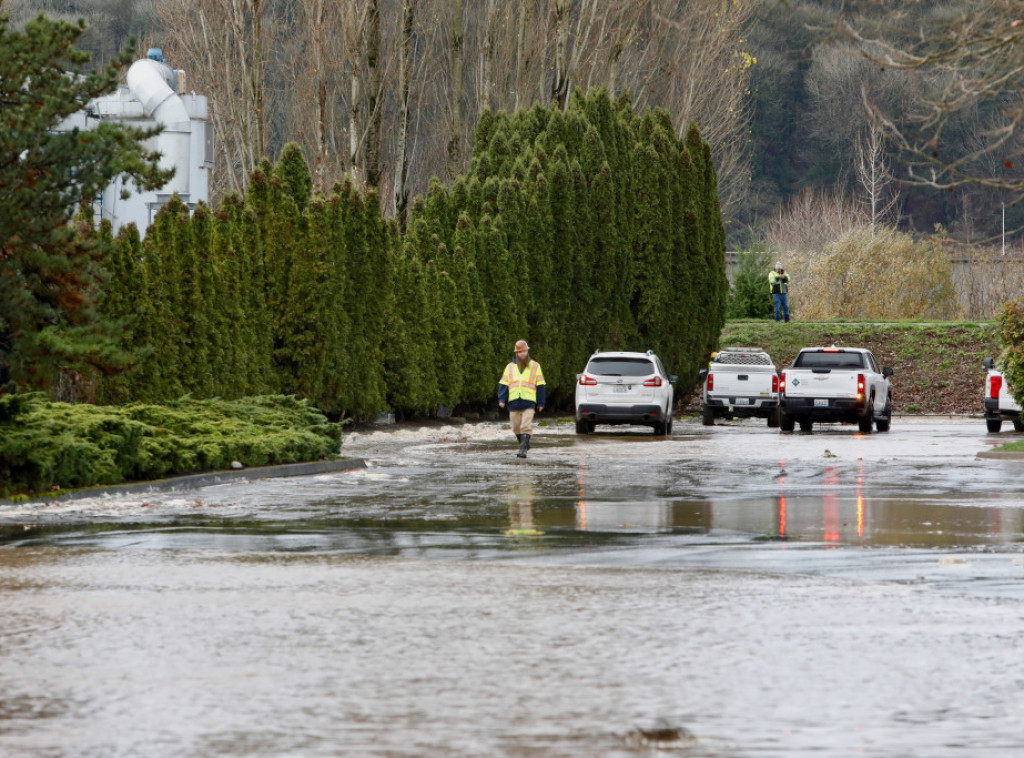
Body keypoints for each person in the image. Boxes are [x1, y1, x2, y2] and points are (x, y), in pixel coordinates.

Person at [498, 340, 546, 458]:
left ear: (527, 351)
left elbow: (540, 385)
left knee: (525, 426)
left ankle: (523, 450)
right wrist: (502, 399)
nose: (523, 354)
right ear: (516, 353)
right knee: (515, 427)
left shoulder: (535, 366)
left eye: (524, 351)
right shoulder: (509, 367)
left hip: (529, 401)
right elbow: (504, 384)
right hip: (514, 401)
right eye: (520, 352)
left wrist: (541, 402)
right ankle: (525, 443)